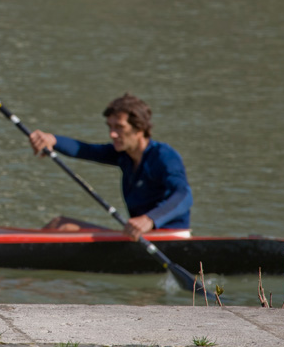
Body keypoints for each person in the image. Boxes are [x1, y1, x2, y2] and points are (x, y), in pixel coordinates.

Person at [29, 93, 192, 241]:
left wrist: (150, 219)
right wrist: (52, 139)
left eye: (119, 127)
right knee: (58, 224)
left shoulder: (164, 156)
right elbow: (86, 150)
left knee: (62, 226)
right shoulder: (124, 155)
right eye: (110, 127)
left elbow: (184, 195)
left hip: (168, 238)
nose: (112, 134)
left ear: (139, 128)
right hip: (138, 237)